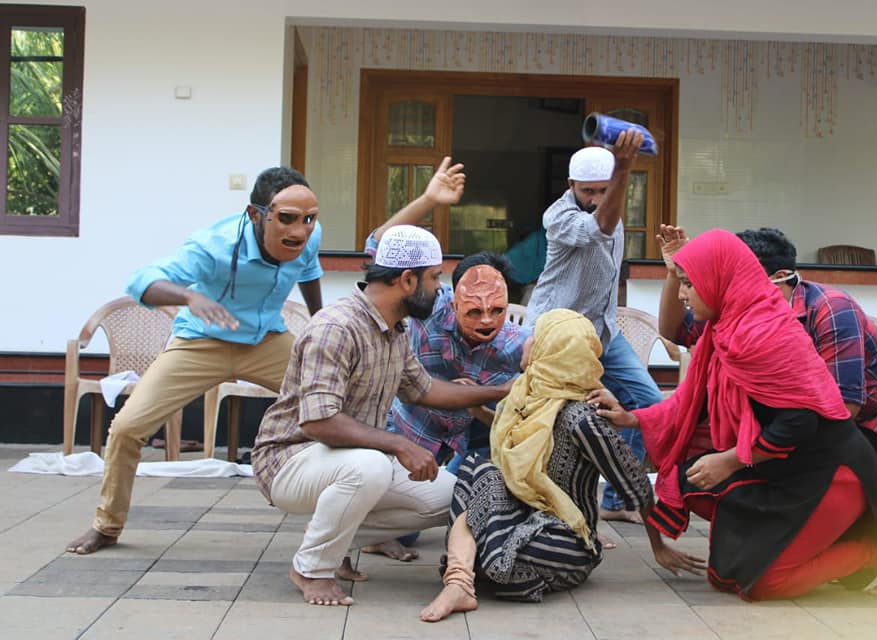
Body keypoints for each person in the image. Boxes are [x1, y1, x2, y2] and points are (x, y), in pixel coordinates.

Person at [591, 229, 877, 601]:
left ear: (718, 279)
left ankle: (872, 551)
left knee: (764, 584)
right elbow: (693, 399)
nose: (682, 293)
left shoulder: (764, 333)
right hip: (781, 465)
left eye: (689, 283)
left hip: (830, 472)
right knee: (719, 560)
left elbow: (800, 421)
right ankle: (802, 545)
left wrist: (731, 460)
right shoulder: (726, 327)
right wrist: (633, 418)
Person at [251, 224, 514, 607]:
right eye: (434, 277)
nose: (440, 288)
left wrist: (500, 392)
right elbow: (318, 422)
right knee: (371, 467)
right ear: (407, 280)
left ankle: (327, 533)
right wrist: (400, 444)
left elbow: (425, 389)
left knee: (454, 494)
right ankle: (311, 568)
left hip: (352, 460)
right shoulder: (336, 327)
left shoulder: (394, 328)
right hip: (290, 459)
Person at [66, 167, 324, 555]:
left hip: (267, 341)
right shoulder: (215, 246)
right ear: (257, 215)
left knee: (341, 406)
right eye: (287, 219)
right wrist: (189, 298)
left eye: (308, 219)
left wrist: (320, 324)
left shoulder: (307, 236)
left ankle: (373, 527)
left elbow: (309, 272)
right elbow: (142, 281)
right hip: (201, 344)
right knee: (126, 428)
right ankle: (107, 525)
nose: (300, 230)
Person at [420, 309, 705, 622]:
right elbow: (515, 438)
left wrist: (658, 547)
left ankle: (476, 563)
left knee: (492, 541)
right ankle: (461, 580)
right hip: (519, 513)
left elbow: (634, 483)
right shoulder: (527, 391)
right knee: (479, 466)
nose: (527, 345)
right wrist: (477, 410)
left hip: (564, 536)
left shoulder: (582, 418)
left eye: (536, 339)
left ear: (552, 350)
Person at [658, 225, 877, 470]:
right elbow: (676, 331)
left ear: (778, 278)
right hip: (833, 424)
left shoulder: (830, 308)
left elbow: (846, 406)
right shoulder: (732, 313)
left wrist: (756, 452)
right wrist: (674, 273)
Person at [361, 158, 531, 560]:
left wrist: (482, 410)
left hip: (480, 434)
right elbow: (378, 249)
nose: (487, 320)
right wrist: (429, 199)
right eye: (474, 311)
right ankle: (383, 532)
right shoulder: (426, 308)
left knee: (480, 498)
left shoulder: (517, 341)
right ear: (451, 301)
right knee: (398, 527)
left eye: (498, 310)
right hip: (418, 426)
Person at [525, 132, 663, 523]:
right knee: (551, 423)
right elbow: (600, 227)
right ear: (570, 186)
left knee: (649, 404)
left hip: (603, 334)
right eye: (589, 191)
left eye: (605, 190)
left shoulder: (611, 206)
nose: (598, 199)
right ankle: (549, 510)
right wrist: (623, 168)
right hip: (556, 338)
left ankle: (618, 502)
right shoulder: (559, 216)